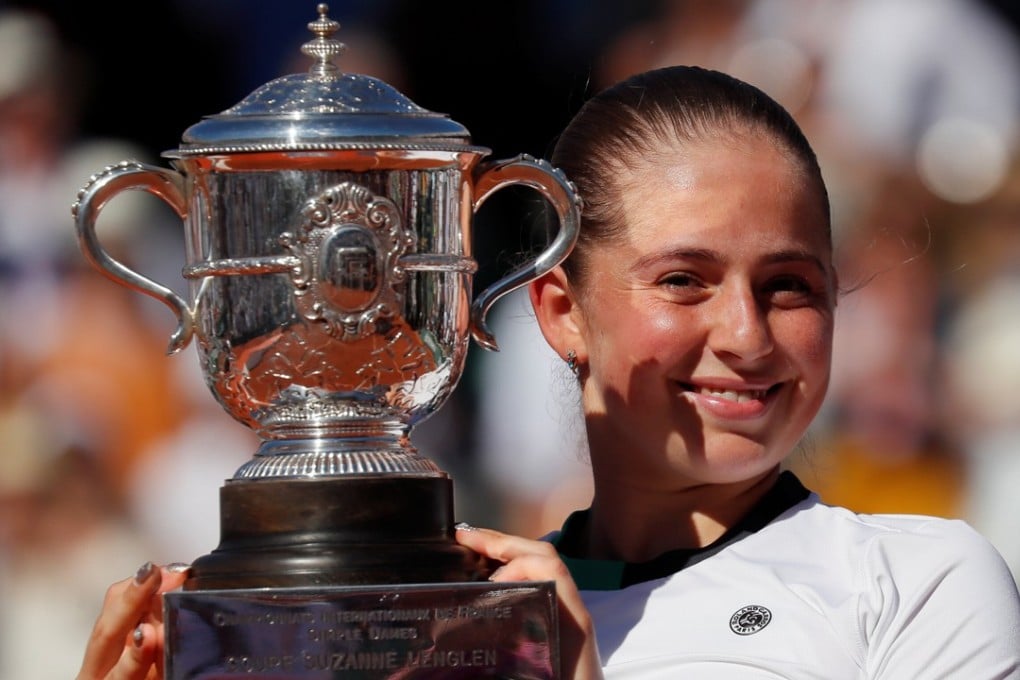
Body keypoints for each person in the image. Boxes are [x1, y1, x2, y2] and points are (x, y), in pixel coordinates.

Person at [76, 65, 1020, 679]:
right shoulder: (449, 629)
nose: (746, 334)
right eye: (684, 281)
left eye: (790, 286)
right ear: (559, 309)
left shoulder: (916, 580)